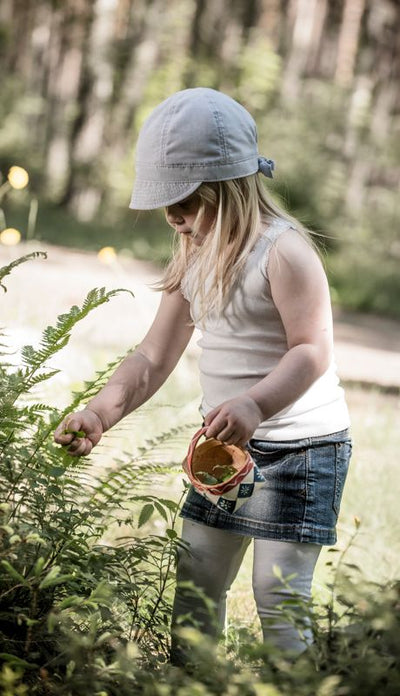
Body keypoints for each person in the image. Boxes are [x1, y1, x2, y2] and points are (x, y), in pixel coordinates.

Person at [54, 87, 352, 662]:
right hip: (222, 452)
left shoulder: (283, 252)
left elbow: (312, 350)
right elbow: (152, 357)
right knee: (194, 585)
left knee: (277, 595)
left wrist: (257, 405)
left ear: (229, 186)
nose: (173, 216)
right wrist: (99, 411)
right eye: (164, 201)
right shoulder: (194, 254)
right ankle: (193, 681)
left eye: (185, 200)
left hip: (301, 450)